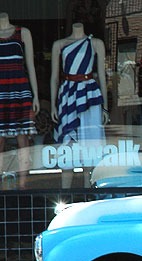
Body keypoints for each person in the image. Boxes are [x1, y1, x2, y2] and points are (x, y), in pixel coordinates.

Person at [50, 22, 108, 187]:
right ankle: (64, 195)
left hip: (89, 95)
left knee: (89, 147)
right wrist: (54, 105)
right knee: (67, 145)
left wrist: (105, 106)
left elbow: (102, 76)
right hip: (67, 94)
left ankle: (88, 194)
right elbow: (54, 77)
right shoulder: (59, 45)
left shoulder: (95, 43)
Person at [0, 12, 39, 189]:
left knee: (22, 137)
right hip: (1, 91)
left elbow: (30, 65)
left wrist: (36, 95)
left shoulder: (23, 32)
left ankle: (23, 185)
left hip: (20, 88)